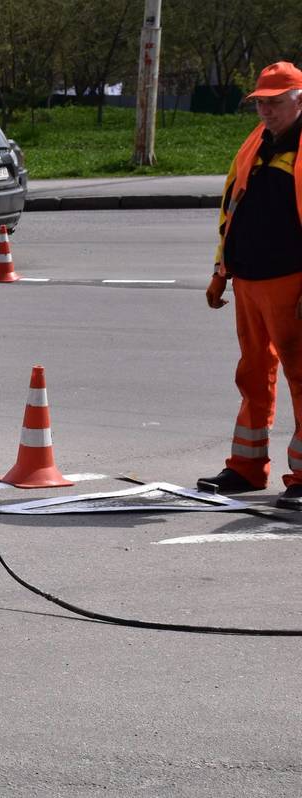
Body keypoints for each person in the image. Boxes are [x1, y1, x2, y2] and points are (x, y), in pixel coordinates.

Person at [200, 61, 302, 510]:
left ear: (299, 99)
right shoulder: (256, 142)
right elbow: (232, 204)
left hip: (291, 281)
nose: (265, 111)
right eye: (260, 103)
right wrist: (221, 271)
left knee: (301, 376)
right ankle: (246, 467)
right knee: (252, 373)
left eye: (275, 103)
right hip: (250, 279)